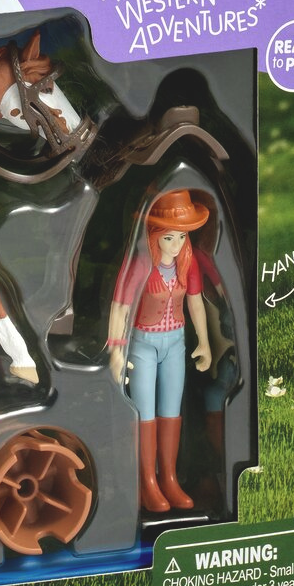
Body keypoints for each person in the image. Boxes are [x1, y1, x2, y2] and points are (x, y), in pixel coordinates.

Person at [108, 190, 212, 512]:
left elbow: (195, 302)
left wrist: (205, 342)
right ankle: (146, 482)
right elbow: (120, 307)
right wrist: (116, 351)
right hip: (143, 344)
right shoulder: (141, 264)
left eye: (181, 237)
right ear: (154, 236)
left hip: (176, 342)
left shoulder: (187, 263)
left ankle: (169, 477)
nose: (176, 244)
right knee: (144, 412)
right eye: (169, 237)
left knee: (171, 410)